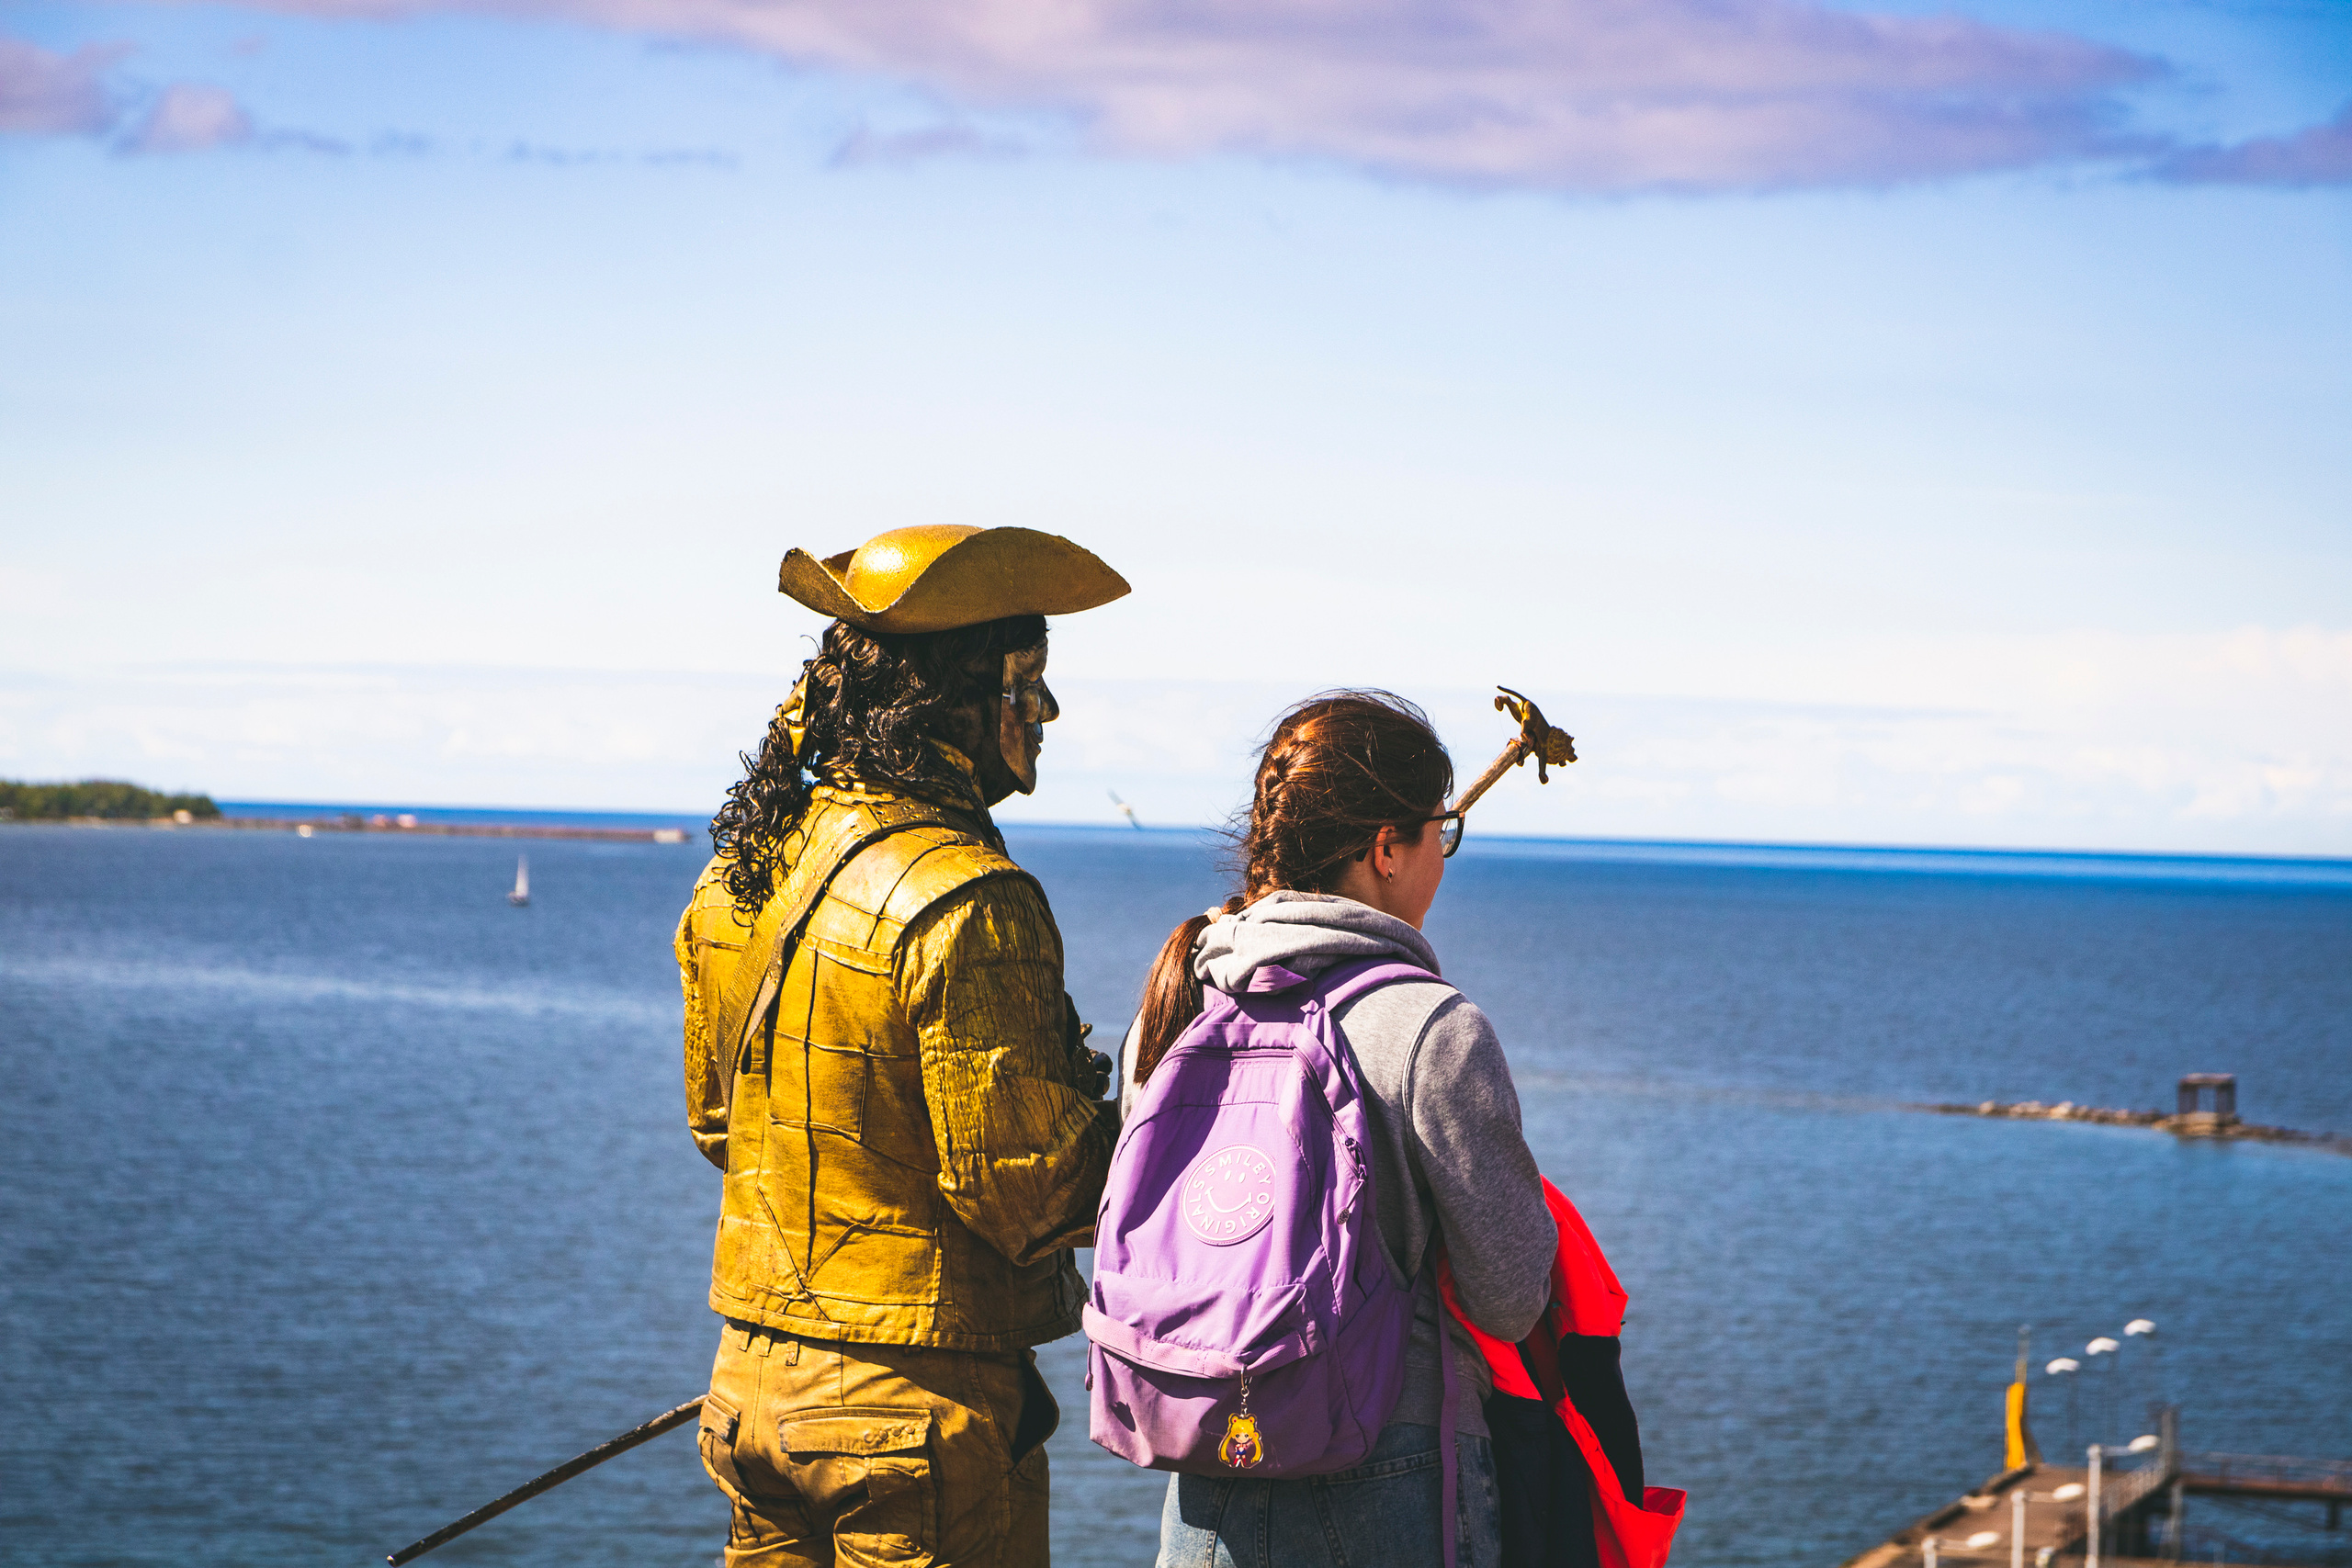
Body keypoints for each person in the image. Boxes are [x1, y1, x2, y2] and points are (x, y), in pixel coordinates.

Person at [676, 524, 1127, 1567]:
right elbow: (1029, 1195)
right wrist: (1153, 1106)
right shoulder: (968, 898)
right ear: (955, 697)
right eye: (1029, 679)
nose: (1047, 711)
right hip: (912, 1420)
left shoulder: (742, 877)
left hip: (751, 1395)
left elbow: (721, 1128)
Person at [1121, 690, 1555, 1568]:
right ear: (1385, 850)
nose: (1445, 851)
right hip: (1388, 1482)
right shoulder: (1431, 1026)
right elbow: (1513, 1296)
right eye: (1442, 830)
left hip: (1209, 1469)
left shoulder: (1180, 1001)